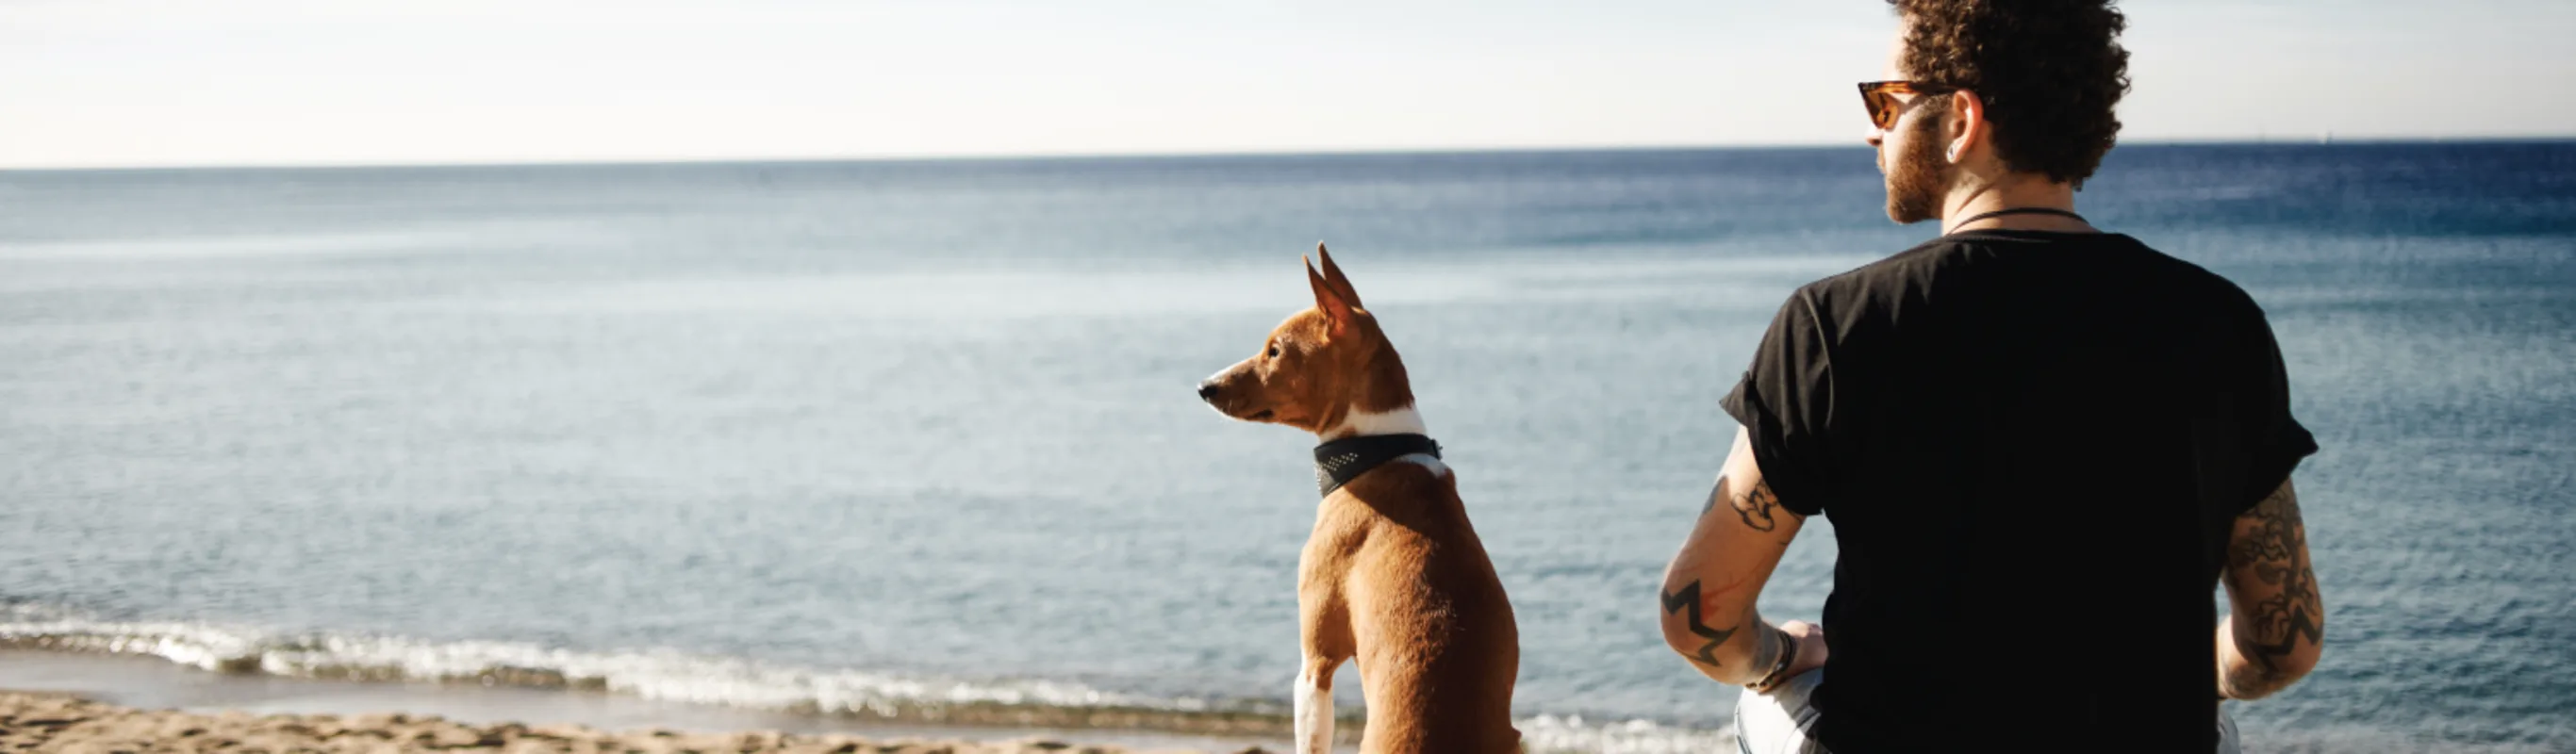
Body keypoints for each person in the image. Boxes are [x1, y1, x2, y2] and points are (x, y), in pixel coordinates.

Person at [1654, 1, 2325, 751]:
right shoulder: (2219, 321)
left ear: (1962, 121)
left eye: (1887, 101)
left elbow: (1699, 617)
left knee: (1762, 703)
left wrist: (1782, 657)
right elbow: (2281, 644)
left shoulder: (1837, 324)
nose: (1873, 129)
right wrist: (2185, 676)